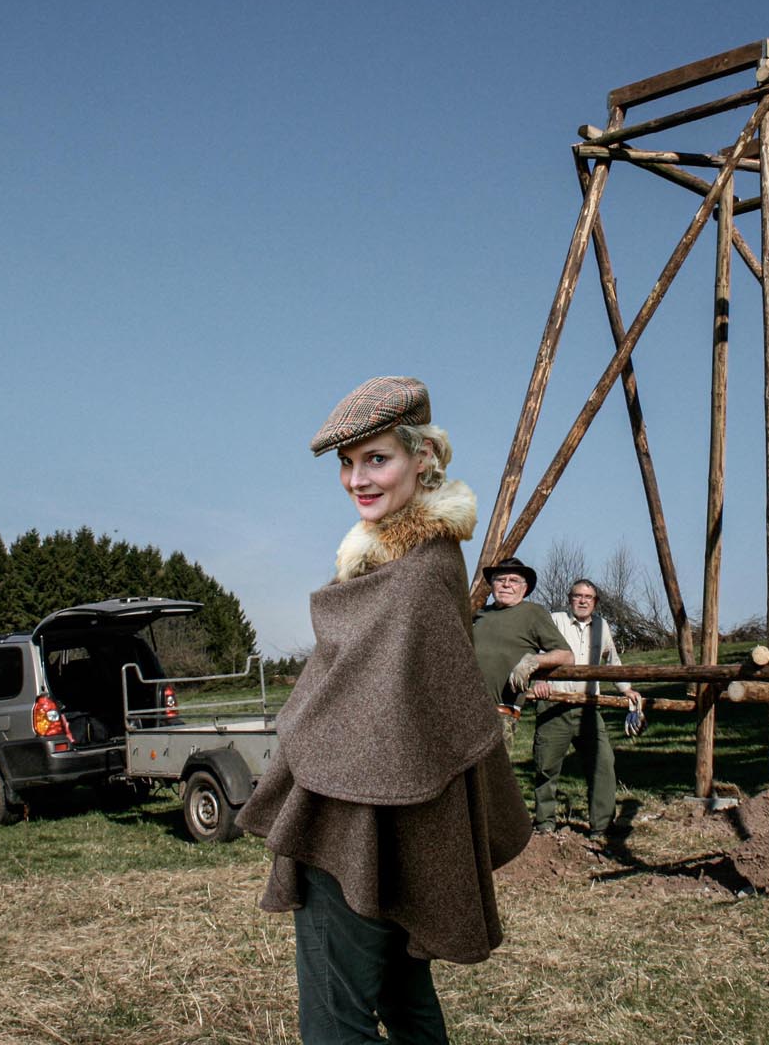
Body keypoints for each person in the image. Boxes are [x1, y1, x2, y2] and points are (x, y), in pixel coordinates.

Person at [235, 375, 531, 1045]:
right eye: (347, 463)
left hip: (351, 826)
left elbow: (386, 711)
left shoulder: (417, 577)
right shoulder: (410, 558)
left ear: (422, 457)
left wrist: (310, 730)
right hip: (390, 830)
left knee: (336, 1023)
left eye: (376, 459)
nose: (356, 479)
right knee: (404, 999)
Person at [533, 579, 643, 837]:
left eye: (588, 597)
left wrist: (625, 689)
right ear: (570, 598)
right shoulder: (555, 621)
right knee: (546, 767)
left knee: (603, 763)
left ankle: (602, 827)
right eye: (578, 596)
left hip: (589, 708)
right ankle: (545, 825)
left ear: (595, 602)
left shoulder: (602, 627)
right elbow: (537, 654)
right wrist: (540, 679)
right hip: (555, 705)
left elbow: (612, 661)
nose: (582, 600)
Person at [470, 555, 573, 751]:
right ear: (491, 585)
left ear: (524, 588)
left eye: (514, 580)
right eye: (500, 579)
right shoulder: (479, 614)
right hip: (463, 708)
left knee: (492, 777)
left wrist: (532, 661)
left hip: (499, 713)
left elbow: (567, 656)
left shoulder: (533, 613)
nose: (506, 584)